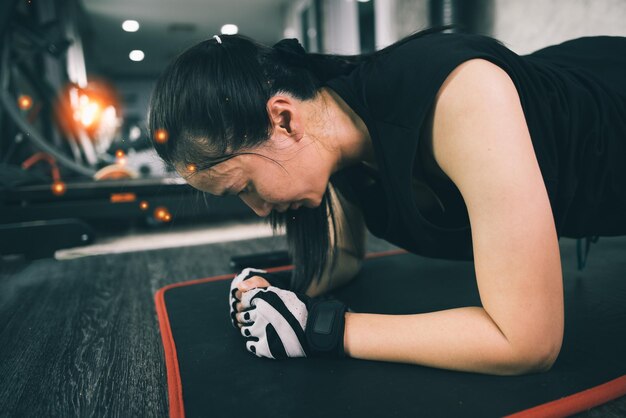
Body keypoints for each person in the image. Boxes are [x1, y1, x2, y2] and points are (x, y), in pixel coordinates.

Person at [148, 29, 626, 375]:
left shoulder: (461, 97)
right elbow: (346, 257)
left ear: (284, 121)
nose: (256, 209)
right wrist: (273, 298)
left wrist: (324, 330)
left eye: (244, 187)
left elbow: (526, 343)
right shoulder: (331, 145)